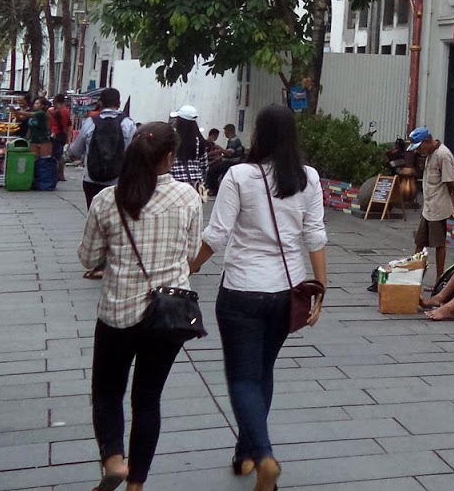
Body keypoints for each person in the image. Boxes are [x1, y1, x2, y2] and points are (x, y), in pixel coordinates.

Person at [190, 105, 327, 491]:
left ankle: (264, 456)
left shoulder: (239, 175)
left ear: (258, 135)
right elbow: (314, 235)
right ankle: (245, 452)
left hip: (242, 291)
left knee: (242, 377)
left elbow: (217, 235)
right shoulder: (308, 178)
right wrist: (320, 289)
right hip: (287, 290)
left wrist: (190, 268)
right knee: (263, 370)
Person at [77, 121, 202, 491]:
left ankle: (114, 460)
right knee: (148, 400)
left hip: (118, 312)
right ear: (168, 157)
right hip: (168, 314)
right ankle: (137, 485)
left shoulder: (107, 199)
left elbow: (88, 258)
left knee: (107, 392)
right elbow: (193, 253)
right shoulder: (188, 198)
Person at [69, 88, 139, 212]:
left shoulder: (90, 122)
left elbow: (75, 151)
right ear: (119, 103)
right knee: (116, 215)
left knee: (93, 214)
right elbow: (132, 154)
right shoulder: (128, 124)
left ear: (100, 103)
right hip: (117, 180)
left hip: (91, 178)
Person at [410, 127, 454, 282]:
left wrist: (453, 203)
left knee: (438, 243)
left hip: (438, 206)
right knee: (420, 242)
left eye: (419, 147)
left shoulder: (443, 155)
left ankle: (439, 279)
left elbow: (450, 182)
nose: (418, 151)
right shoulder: (430, 154)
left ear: (427, 141)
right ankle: (415, 275)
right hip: (428, 206)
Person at [169, 106, 209, 191]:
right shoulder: (199, 139)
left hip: (176, 181)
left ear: (179, 120)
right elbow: (204, 166)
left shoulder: (172, 138)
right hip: (196, 183)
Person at [49, 93, 74, 181]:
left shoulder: (60, 111)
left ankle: (59, 174)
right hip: (60, 133)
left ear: (56, 101)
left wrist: (64, 133)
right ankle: (59, 174)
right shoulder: (65, 110)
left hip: (57, 134)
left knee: (58, 155)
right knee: (59, 154)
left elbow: (63, 124)